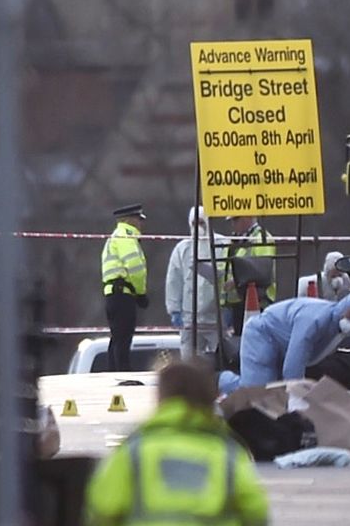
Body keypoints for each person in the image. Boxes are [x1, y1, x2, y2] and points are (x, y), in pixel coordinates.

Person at [86, 360, 269, 526]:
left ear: (161, 398)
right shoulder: (227, 452)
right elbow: (255, 511)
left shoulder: (135, 450)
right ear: (208, 399)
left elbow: (102, 509)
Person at [232, 290, 350, 390]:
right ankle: (222, 382)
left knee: (272, 394)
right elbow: (294, 364)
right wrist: (296, 397)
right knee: (257, 395)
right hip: (262, 335)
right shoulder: (314, 320)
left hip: (282, 341)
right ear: (343, 308)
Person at [166, 206, 226, 359]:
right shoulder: (182, 248)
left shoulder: (221, 244)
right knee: (188, 360)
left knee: (222, 358)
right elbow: (174, 280)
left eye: (201, 222)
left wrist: (228, 307)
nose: (197, 227)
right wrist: (174, 310)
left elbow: (226, 275)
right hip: (189, 317)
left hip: (215, 316)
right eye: (194, 223)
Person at [102, 204, 149, 371]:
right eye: (138, 220)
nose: (141, 224)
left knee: (117, 339)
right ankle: (122, 375)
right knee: (123, 340)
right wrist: (141, 293)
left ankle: (113, 373)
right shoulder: (126, 236)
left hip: (112, 294)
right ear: (130, 220)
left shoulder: (115, 237)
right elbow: (135, 267)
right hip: (123, 295)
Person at [221, 215, 276, 337]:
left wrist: (236, 280)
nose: (233, 224)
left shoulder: (261, 238)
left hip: (258, 302)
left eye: (236, 220)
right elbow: (225, 267)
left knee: (255, 340)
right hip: (236, 301)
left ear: (247, 217)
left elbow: (262, 269)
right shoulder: (234, 240)